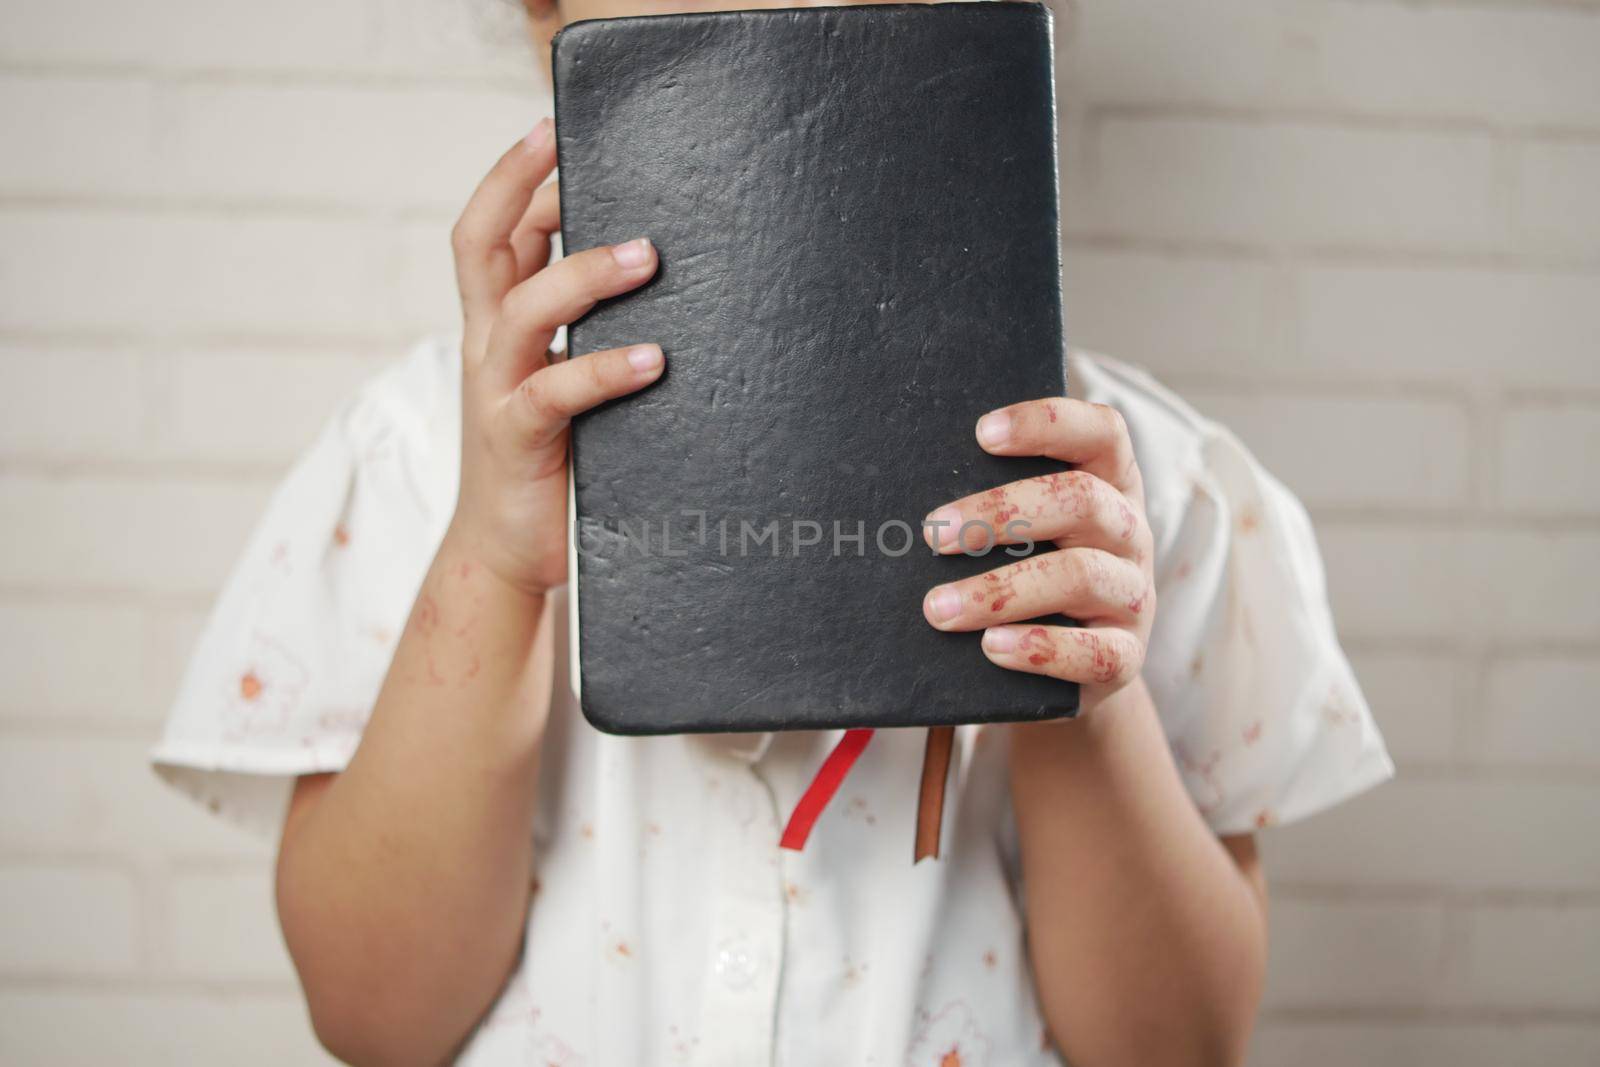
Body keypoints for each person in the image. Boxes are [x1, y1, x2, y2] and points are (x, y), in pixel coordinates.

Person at [150, 1, 1394, 1064]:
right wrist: (489, 558)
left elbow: (1175, 1042)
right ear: (553, 25)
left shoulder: (1152, 495)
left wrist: (1084, 675)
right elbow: (373, 1015)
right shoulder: (413, 456)